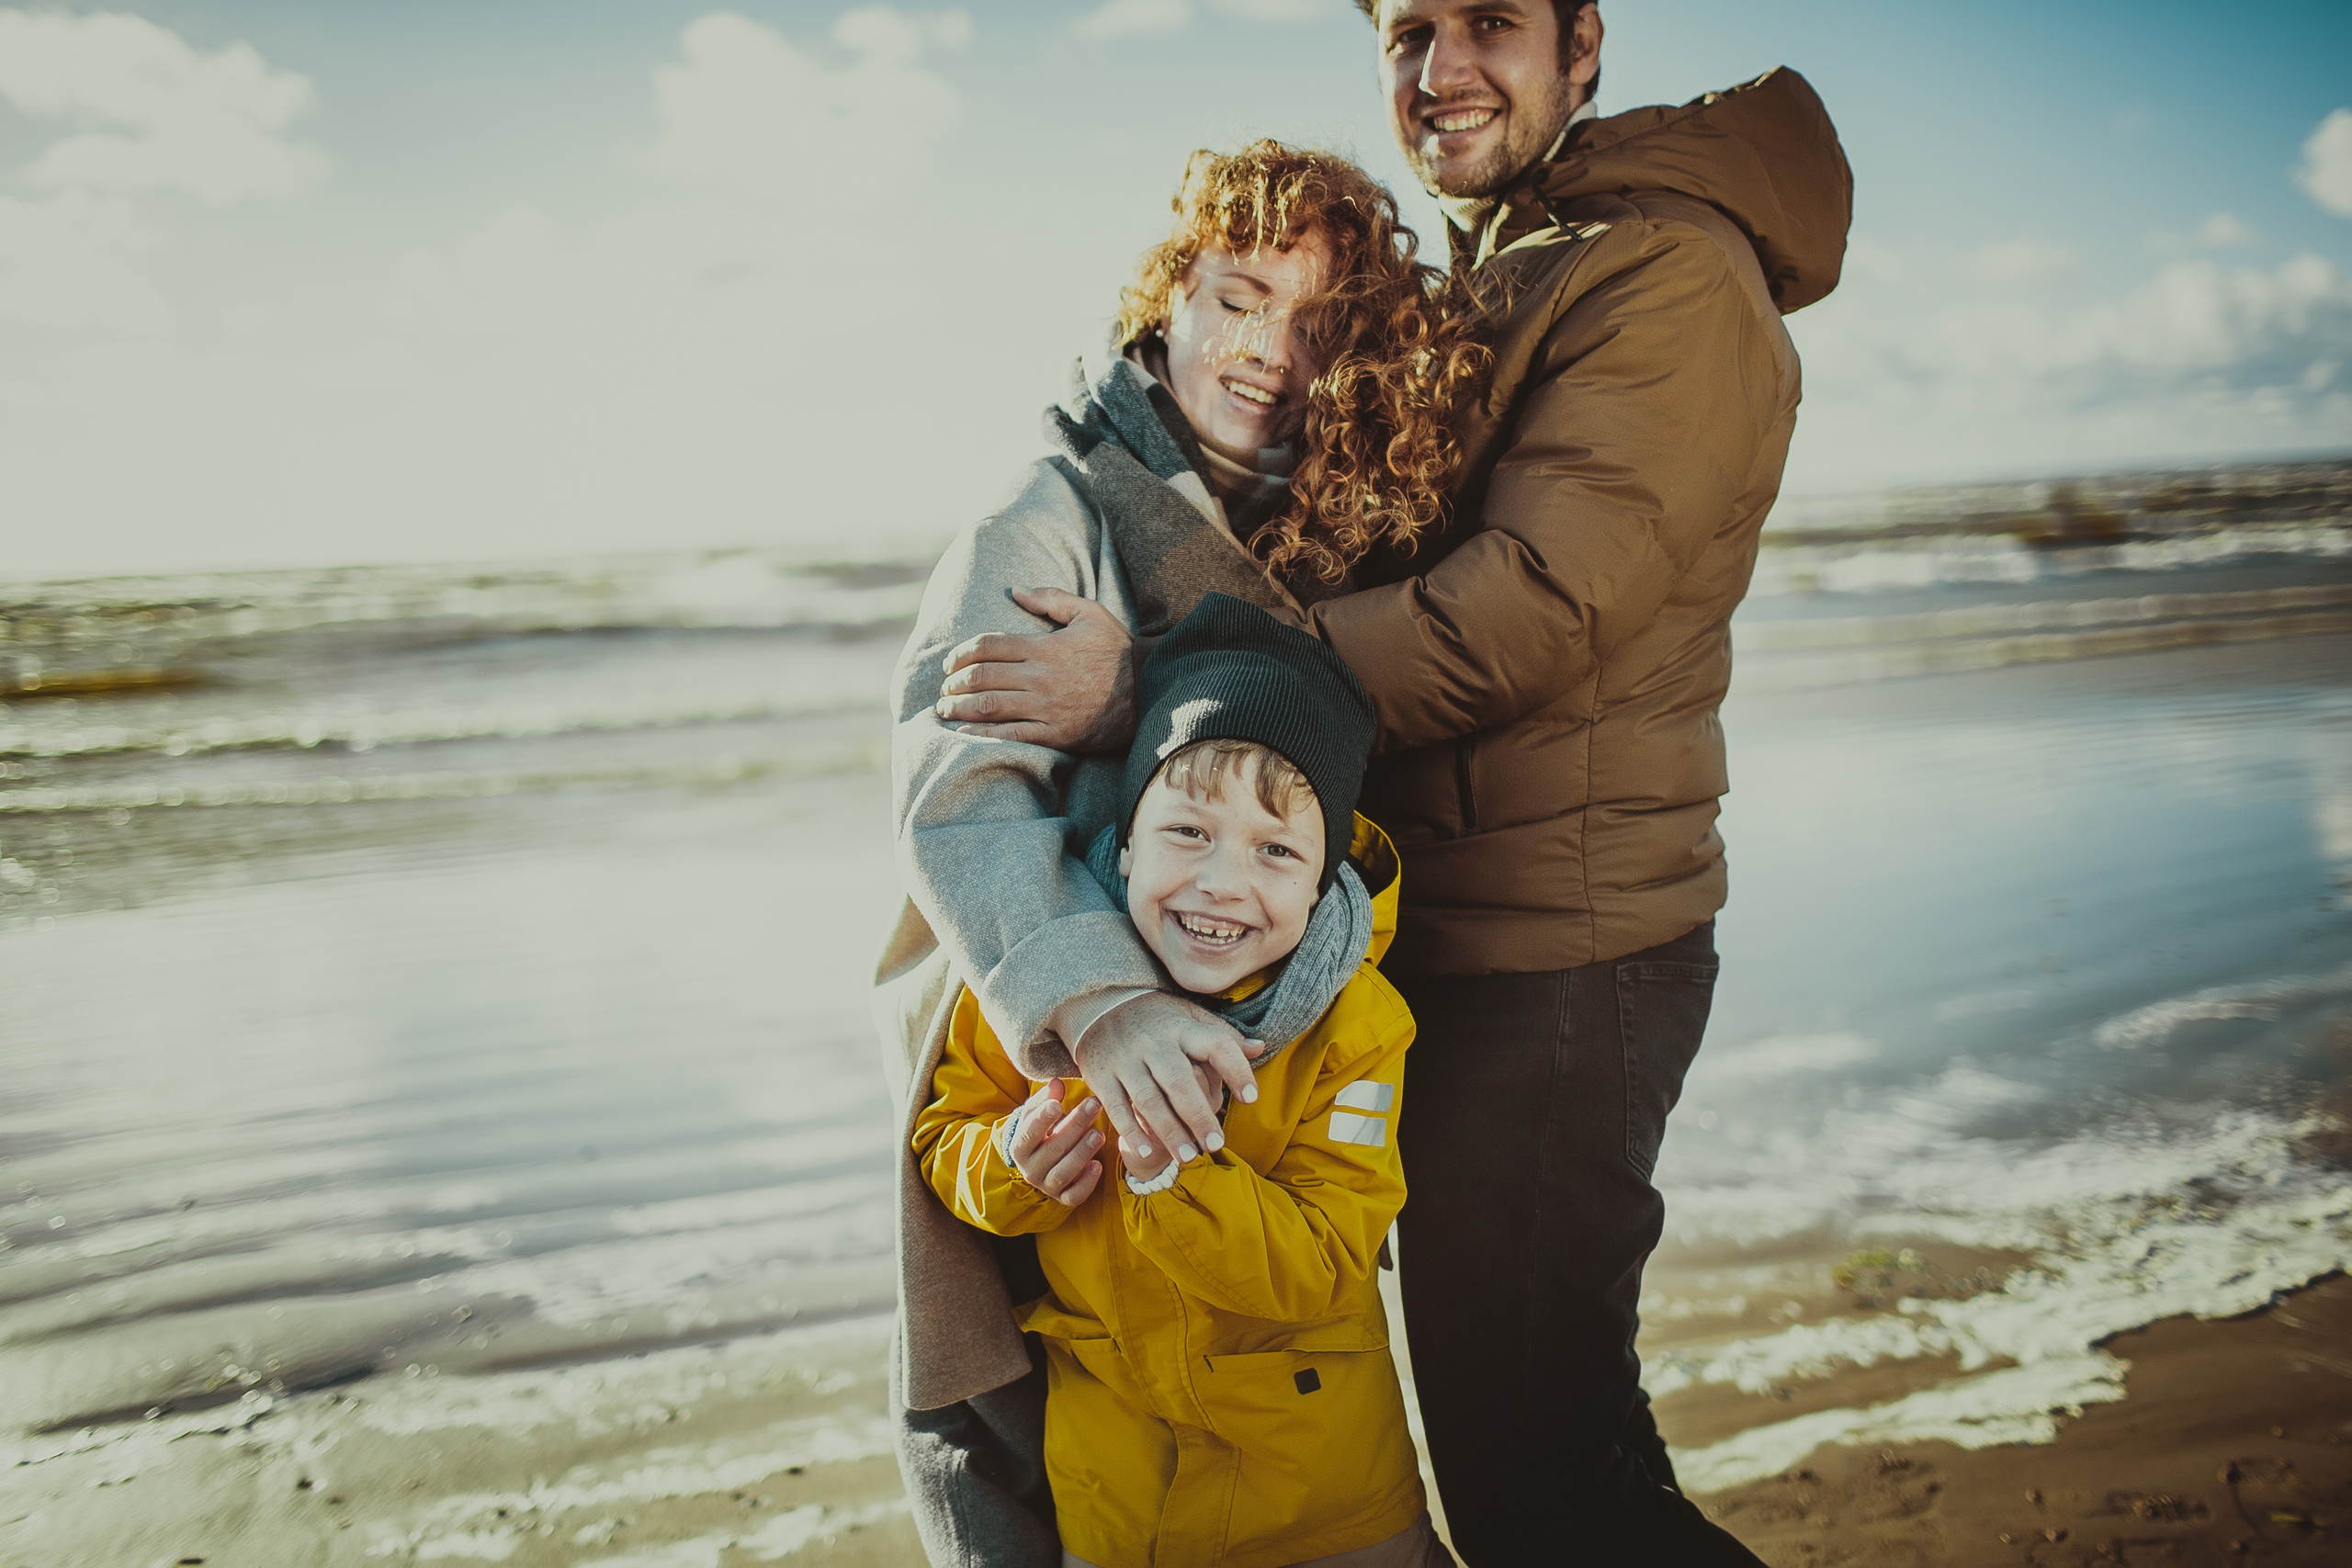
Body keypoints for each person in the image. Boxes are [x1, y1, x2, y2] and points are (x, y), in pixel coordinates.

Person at [929, 4, 1855, 1562]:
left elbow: (1531, 608)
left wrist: (1155, 692)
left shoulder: (1665, 271)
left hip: (1558, 949)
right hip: (1471, 929)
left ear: (1586, 45)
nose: (1442, 68)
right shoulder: (1519, 255)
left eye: (1491, 21)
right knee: (1553, 1451)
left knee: (1544, 1490)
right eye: (1409, 27)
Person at [875, 142, 1483, 1566]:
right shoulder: (1053, 505)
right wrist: (1109, 1004)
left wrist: (1142, 689)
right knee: (1002, 1431)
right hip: (1023, 1001)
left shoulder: (1301, 510)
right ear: (1168, 302)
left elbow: (1288, 739)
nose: (1268, 350)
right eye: (1237, 295)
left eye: (1315, 323)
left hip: (1221, 1018)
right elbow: (955, 796)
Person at [914, 594, 1449, 1568]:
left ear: (1326, 877)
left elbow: (1328, 1258)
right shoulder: (1049, 984)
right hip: (1116, 1496)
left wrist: (1176, 1171)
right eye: (1187, 833)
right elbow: (947, 1135)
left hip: (1320, 1496)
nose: (1220, 883)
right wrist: (1008, 1165)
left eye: (1276, 851)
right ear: (1124, 842)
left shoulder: (1357, 1026)